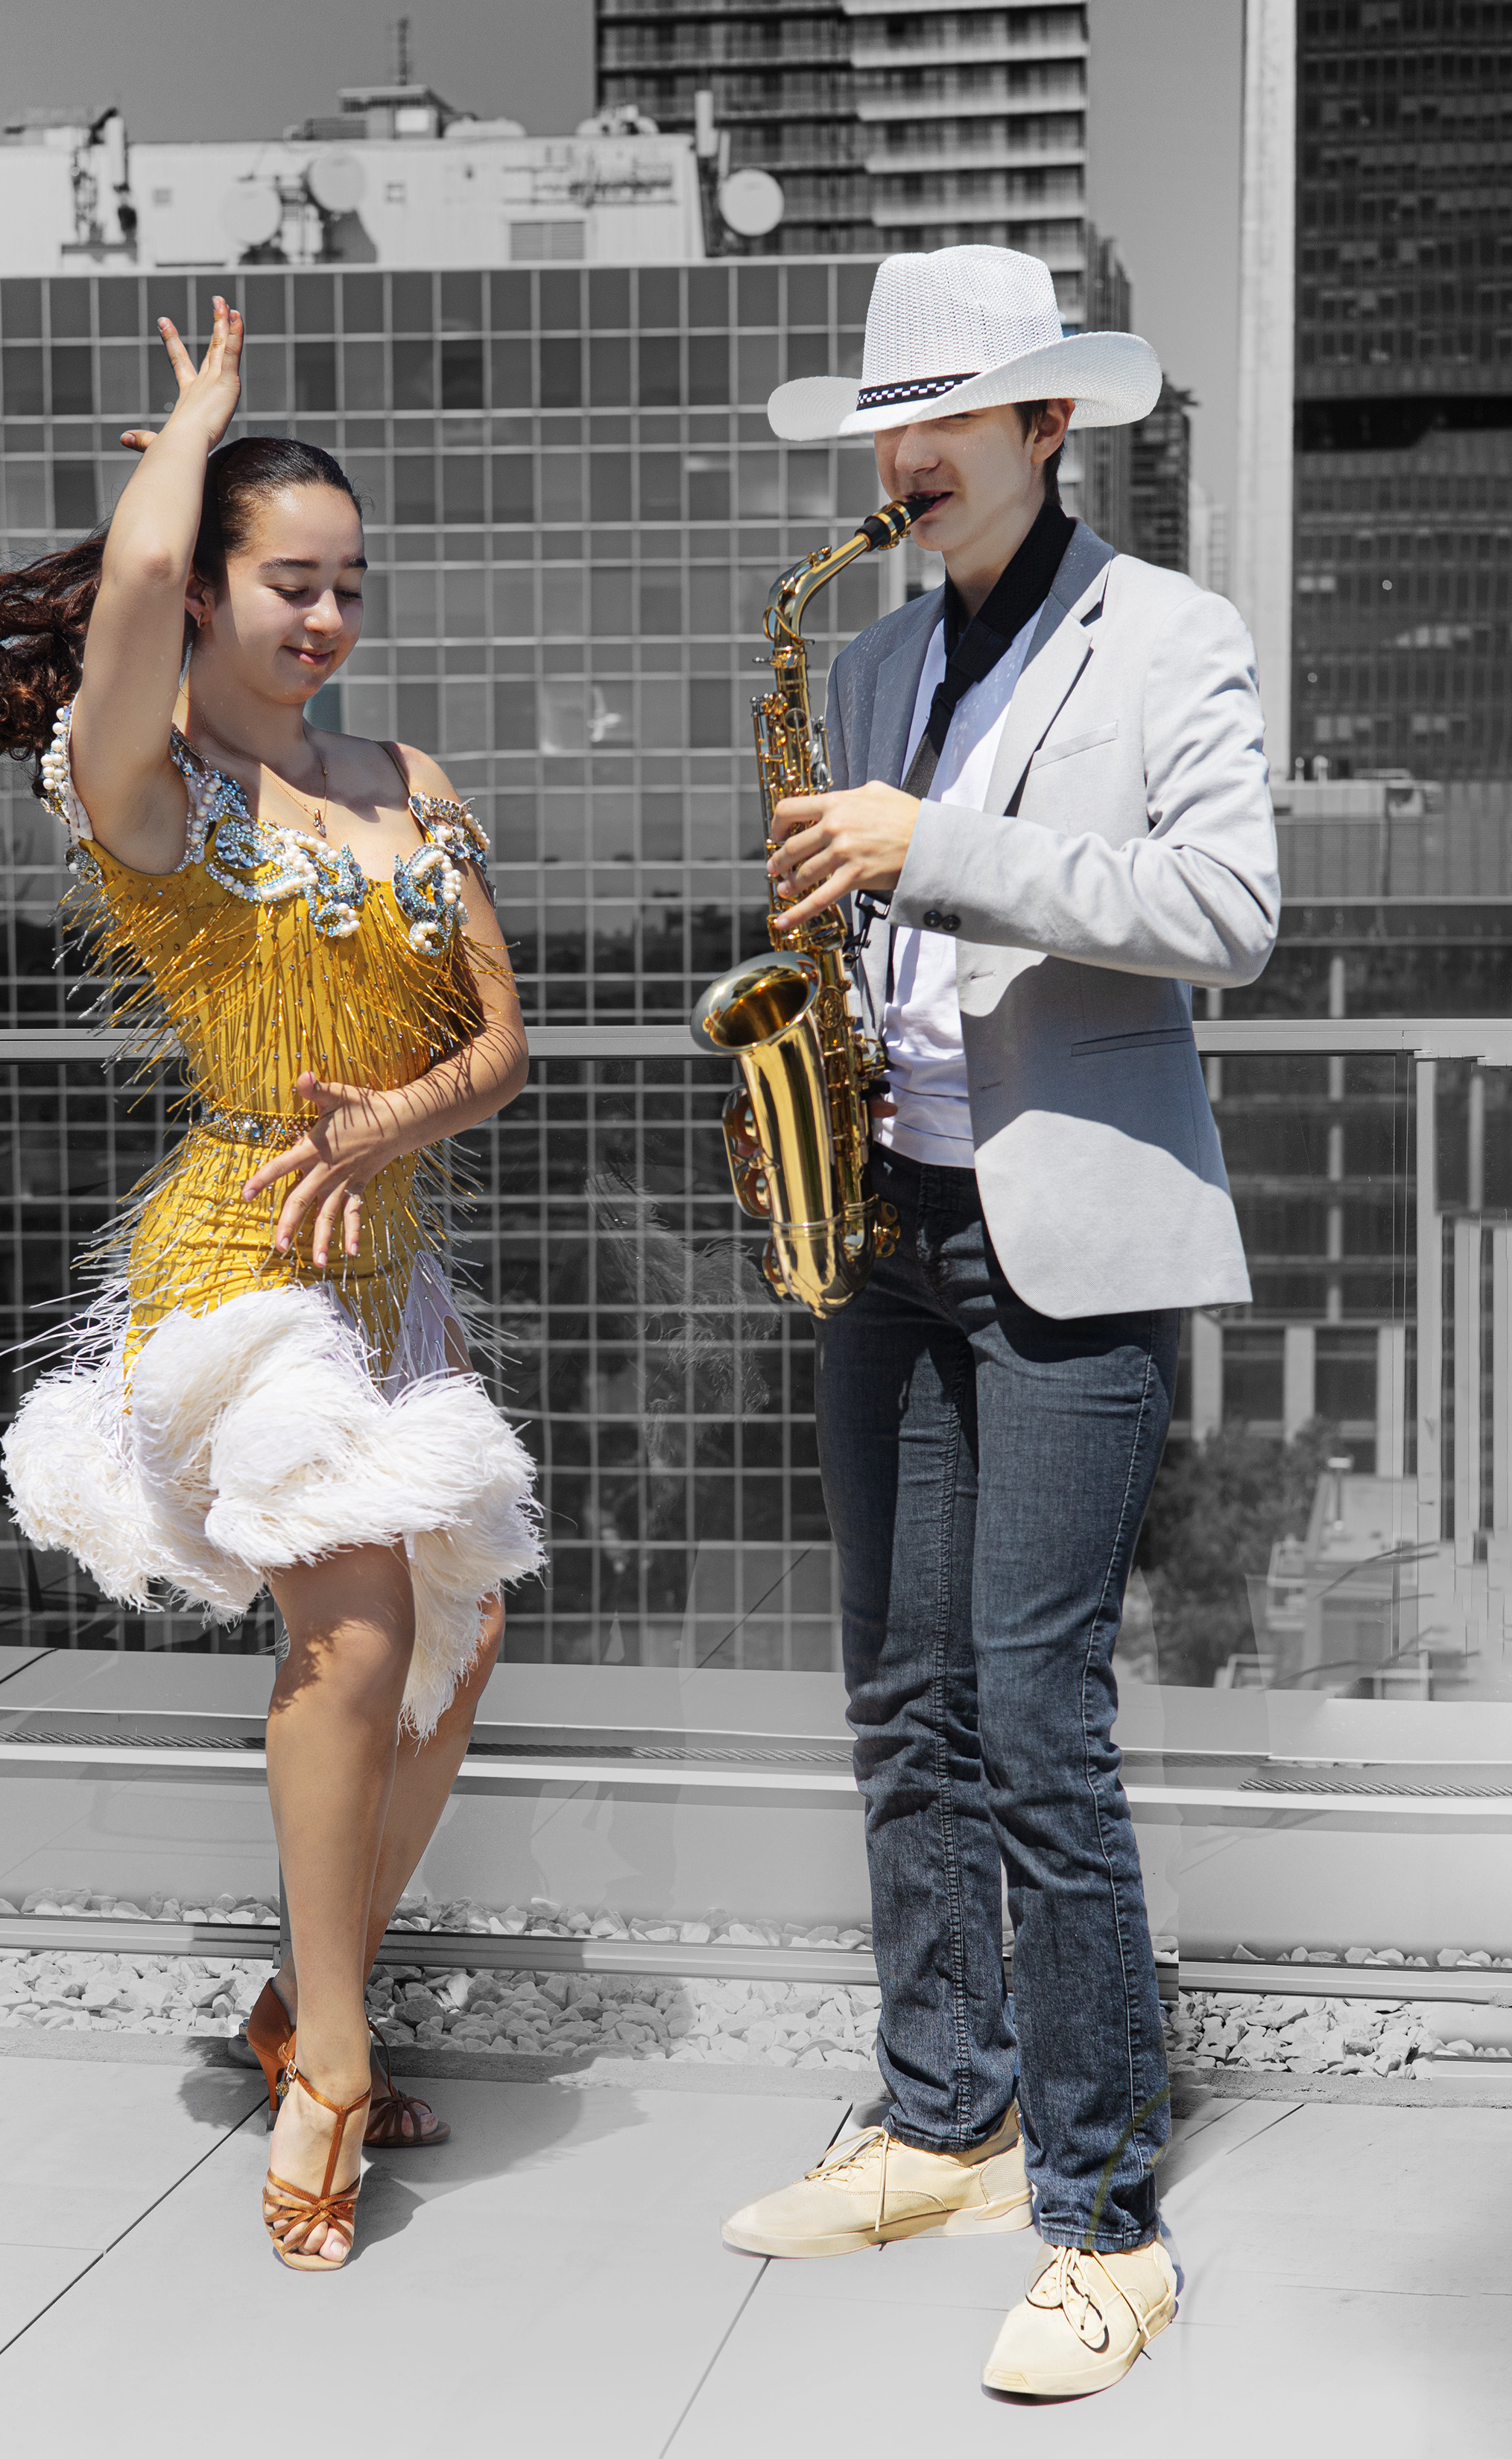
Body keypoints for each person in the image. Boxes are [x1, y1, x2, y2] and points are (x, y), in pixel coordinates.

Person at [719, 246, 1279, 2398]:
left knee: (1040, 1718)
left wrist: (936, 847)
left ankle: (1105, 2214)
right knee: (903, 1694)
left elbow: (1227, 908)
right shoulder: (860, 667)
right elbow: (863, 922)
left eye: (951, 412)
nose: (908, 451)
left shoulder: (1176, 639)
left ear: (1055, 424)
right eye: (890, 415)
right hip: (887, 1211)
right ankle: (945, 2111)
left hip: (1072, 1237)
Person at [0, 298, 543, 2272]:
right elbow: (120, 597)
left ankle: (304, 1999)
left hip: (386, 1267)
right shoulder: (158, 792)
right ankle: (336, 2060)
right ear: (206, 594)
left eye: (350, 585)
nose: (330, 617)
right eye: (292, 582)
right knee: (356, 1618)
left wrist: (396, 1118)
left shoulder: (406, 776)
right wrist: (187, 433)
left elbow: (505, 1044)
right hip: (237, 1267)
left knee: (457, 1641)